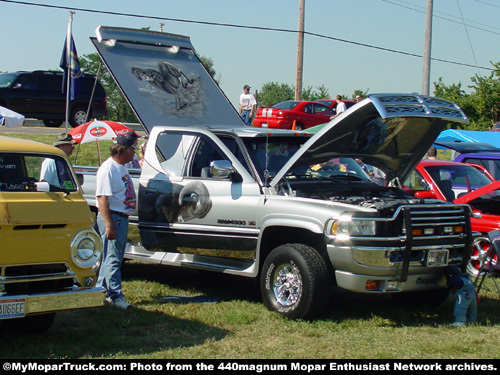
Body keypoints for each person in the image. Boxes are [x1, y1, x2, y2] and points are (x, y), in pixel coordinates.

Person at [95, 132, 138, 309]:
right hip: (114, 217)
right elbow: (102, 198)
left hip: (120, 217)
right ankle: (116, 295)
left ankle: (100, 290)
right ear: (124, 150)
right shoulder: (108, 169)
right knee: (113, 258)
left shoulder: (120, 167)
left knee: (111, 257)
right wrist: (109, 224)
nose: (134, 153)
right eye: (132, 150)